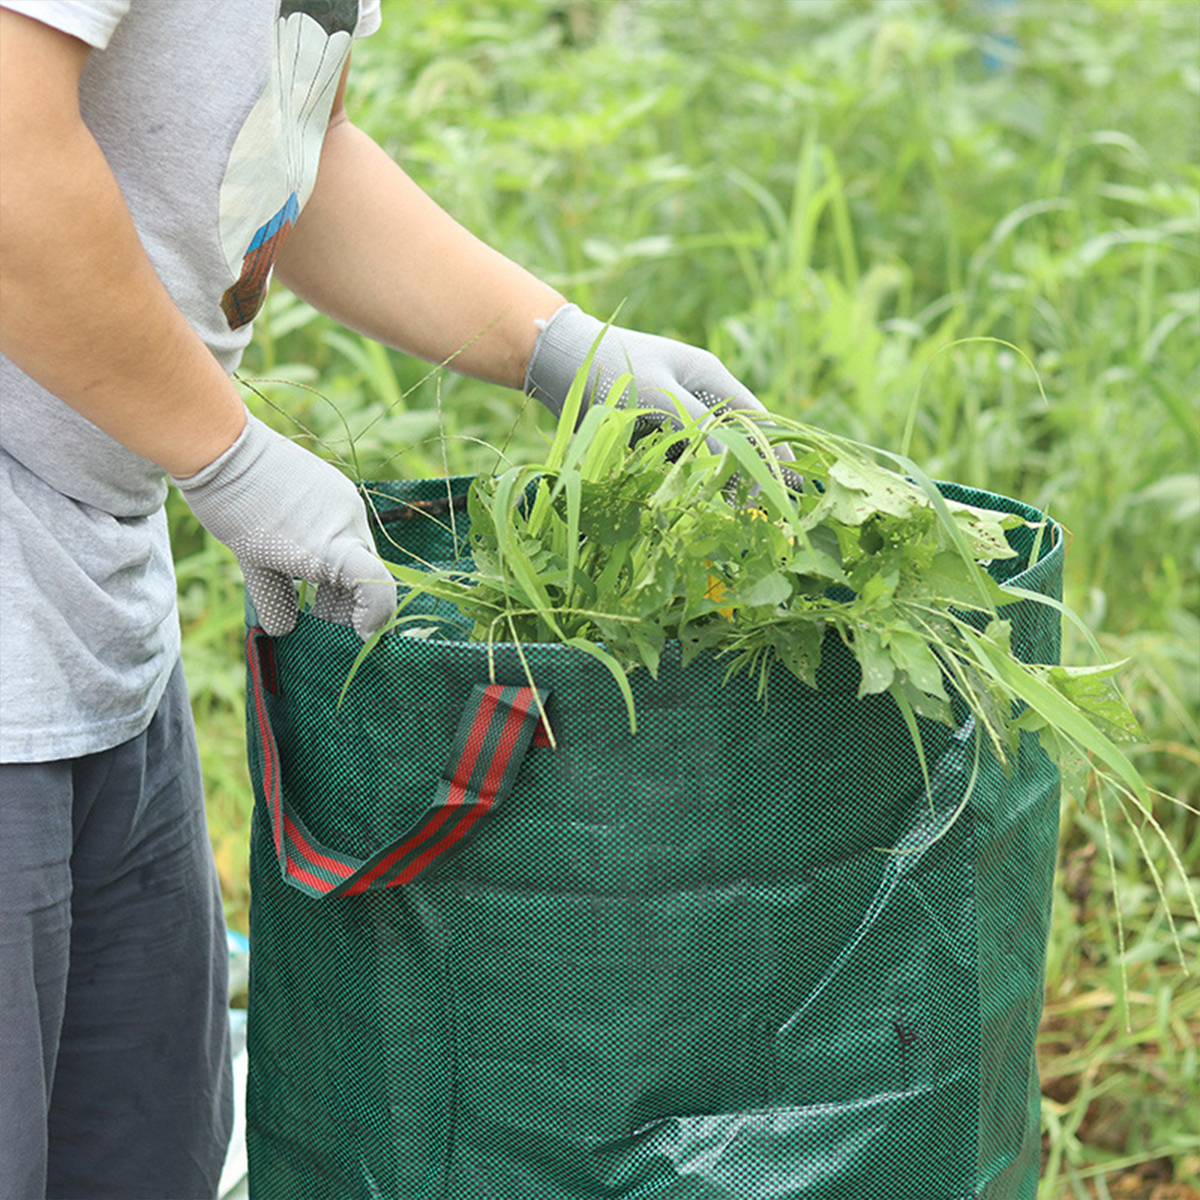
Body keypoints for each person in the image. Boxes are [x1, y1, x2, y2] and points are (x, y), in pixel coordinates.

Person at [0, 3, 773, 1197]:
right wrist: (228, 457)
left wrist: (559, 346)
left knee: (138, 1150)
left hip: (94, 596)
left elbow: (292, 140)